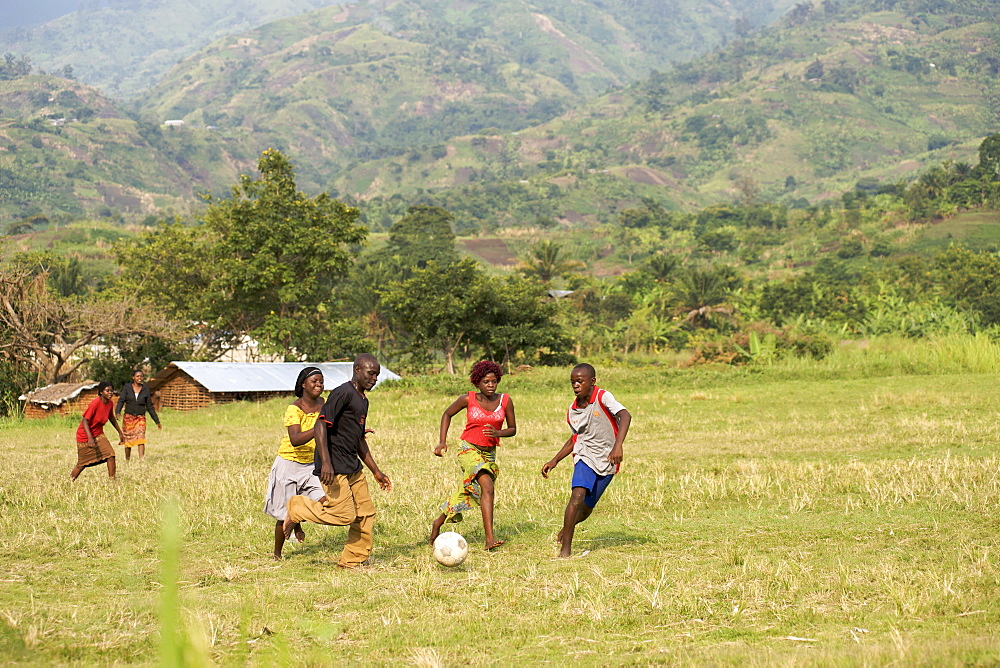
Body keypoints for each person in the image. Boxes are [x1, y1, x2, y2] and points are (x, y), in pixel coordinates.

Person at [283, 354, 393, 569]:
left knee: (366, 513)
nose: (375, 379)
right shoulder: (343, 393)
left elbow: (360, 439)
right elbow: (321, 425)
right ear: (358, 370)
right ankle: (298, 507)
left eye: (377, 375)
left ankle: (351, 561)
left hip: (352, 465)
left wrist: (377, 472)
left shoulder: (363, 400)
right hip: (333, 465)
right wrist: (325, 462)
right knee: (343, 515)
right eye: (371, 374)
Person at [542, 363, 631, 558]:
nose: (575, 385)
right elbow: (575, 439)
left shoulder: (603, 397)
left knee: (586, 510)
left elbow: (625, 415)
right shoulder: (572, 410)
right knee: (577, 496)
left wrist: (618, 445)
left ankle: (567, 529)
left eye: (580, 381)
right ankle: (565, 549)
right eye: (573, 382)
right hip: (585, 455)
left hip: (608, 458)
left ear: (592, 382)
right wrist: (555, 460)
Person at [430, 360, 517, 551]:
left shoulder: (505, 400)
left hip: (489, 455)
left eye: (494, 381)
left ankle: (438, 522)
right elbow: (447, 414)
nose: (491, 385)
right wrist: (442, 441)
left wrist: (498, 433)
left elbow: (512, 429)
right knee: (487, 486)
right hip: (468, 450)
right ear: (477, 382)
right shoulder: (468, 399)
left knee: (466, 492)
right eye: (486, 381)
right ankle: (489, 539)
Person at [263, 367, 327, 560]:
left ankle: (297, 516)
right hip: (288, 464)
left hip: (311, 465)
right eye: (314, 381)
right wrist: (318, 427)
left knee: (324, 501)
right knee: (283, 515)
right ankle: (277, 554)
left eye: (321, 381)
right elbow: (296, 439)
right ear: (303, 385)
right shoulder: (294, 409)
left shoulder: (324, 404)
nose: (319, 385)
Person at [71, 381, 125, 481]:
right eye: (107, 391)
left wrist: (120, 433)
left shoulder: (110, 403)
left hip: (98, 434)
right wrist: (89, 438)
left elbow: (111, 418)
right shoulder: (95, 403)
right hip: (85, 435)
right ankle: (70, 481)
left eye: (111, 391)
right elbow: (84, 421)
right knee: (82, 463)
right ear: (101, 392)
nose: (110, 393)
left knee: (110, 455)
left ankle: (112, 481)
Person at [115, 369, 162, 462]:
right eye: (137, 376)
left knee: (141, 437)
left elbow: (150, 406)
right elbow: (121, 400)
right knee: (128, 440)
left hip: (140, 417)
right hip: (128, 417)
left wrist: (157, 422)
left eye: (141, 376)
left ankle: (141, 460)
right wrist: (117, 411)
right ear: (133, 377)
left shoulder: (145, 390)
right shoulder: (127, 387)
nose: (139, 378)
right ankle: (127, 459)